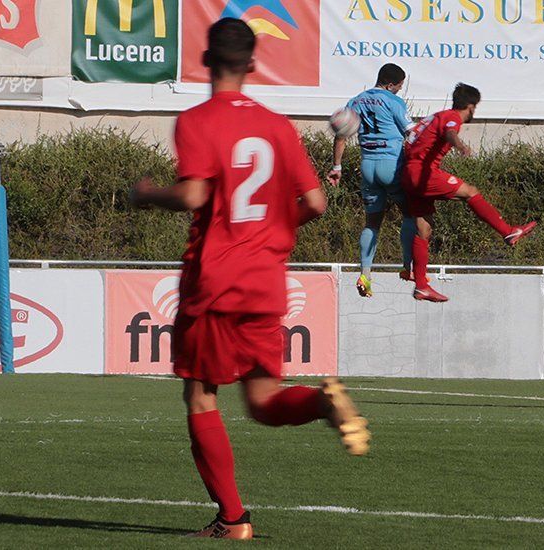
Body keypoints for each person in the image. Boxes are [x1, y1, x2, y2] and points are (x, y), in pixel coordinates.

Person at [130, 18, 370, 540]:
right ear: (254, 64)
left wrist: (146, 195)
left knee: (201, 395)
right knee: (263, 402)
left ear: (206, 61)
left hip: (215, 279)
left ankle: (233, 519)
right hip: (266, 279)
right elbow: (316, 204)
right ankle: (323, 402)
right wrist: (272, 227)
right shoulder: (278, 125)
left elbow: (194, 195)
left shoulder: (196, 120)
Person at [401, 83, 537, 302]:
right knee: (470, 192)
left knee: (424, 229)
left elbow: (411, 138)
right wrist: (461, 146)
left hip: (408, 175)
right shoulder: (451, 117)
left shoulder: (435, 116)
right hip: (422, 172)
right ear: (472, 107)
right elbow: (450, 132)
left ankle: (421, 286)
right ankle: (508, 231)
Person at [327, 63, 417, 298]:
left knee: (372, 223)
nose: (399, 91)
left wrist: (337, 166)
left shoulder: (356, 101)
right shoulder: (394, 101)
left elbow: (341, 136)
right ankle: (408, 267)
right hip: (392, 164)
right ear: (390, 84)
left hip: (368, 166)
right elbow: (412, 132)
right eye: (398, 86)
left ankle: (365, 273)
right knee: (409, 214)